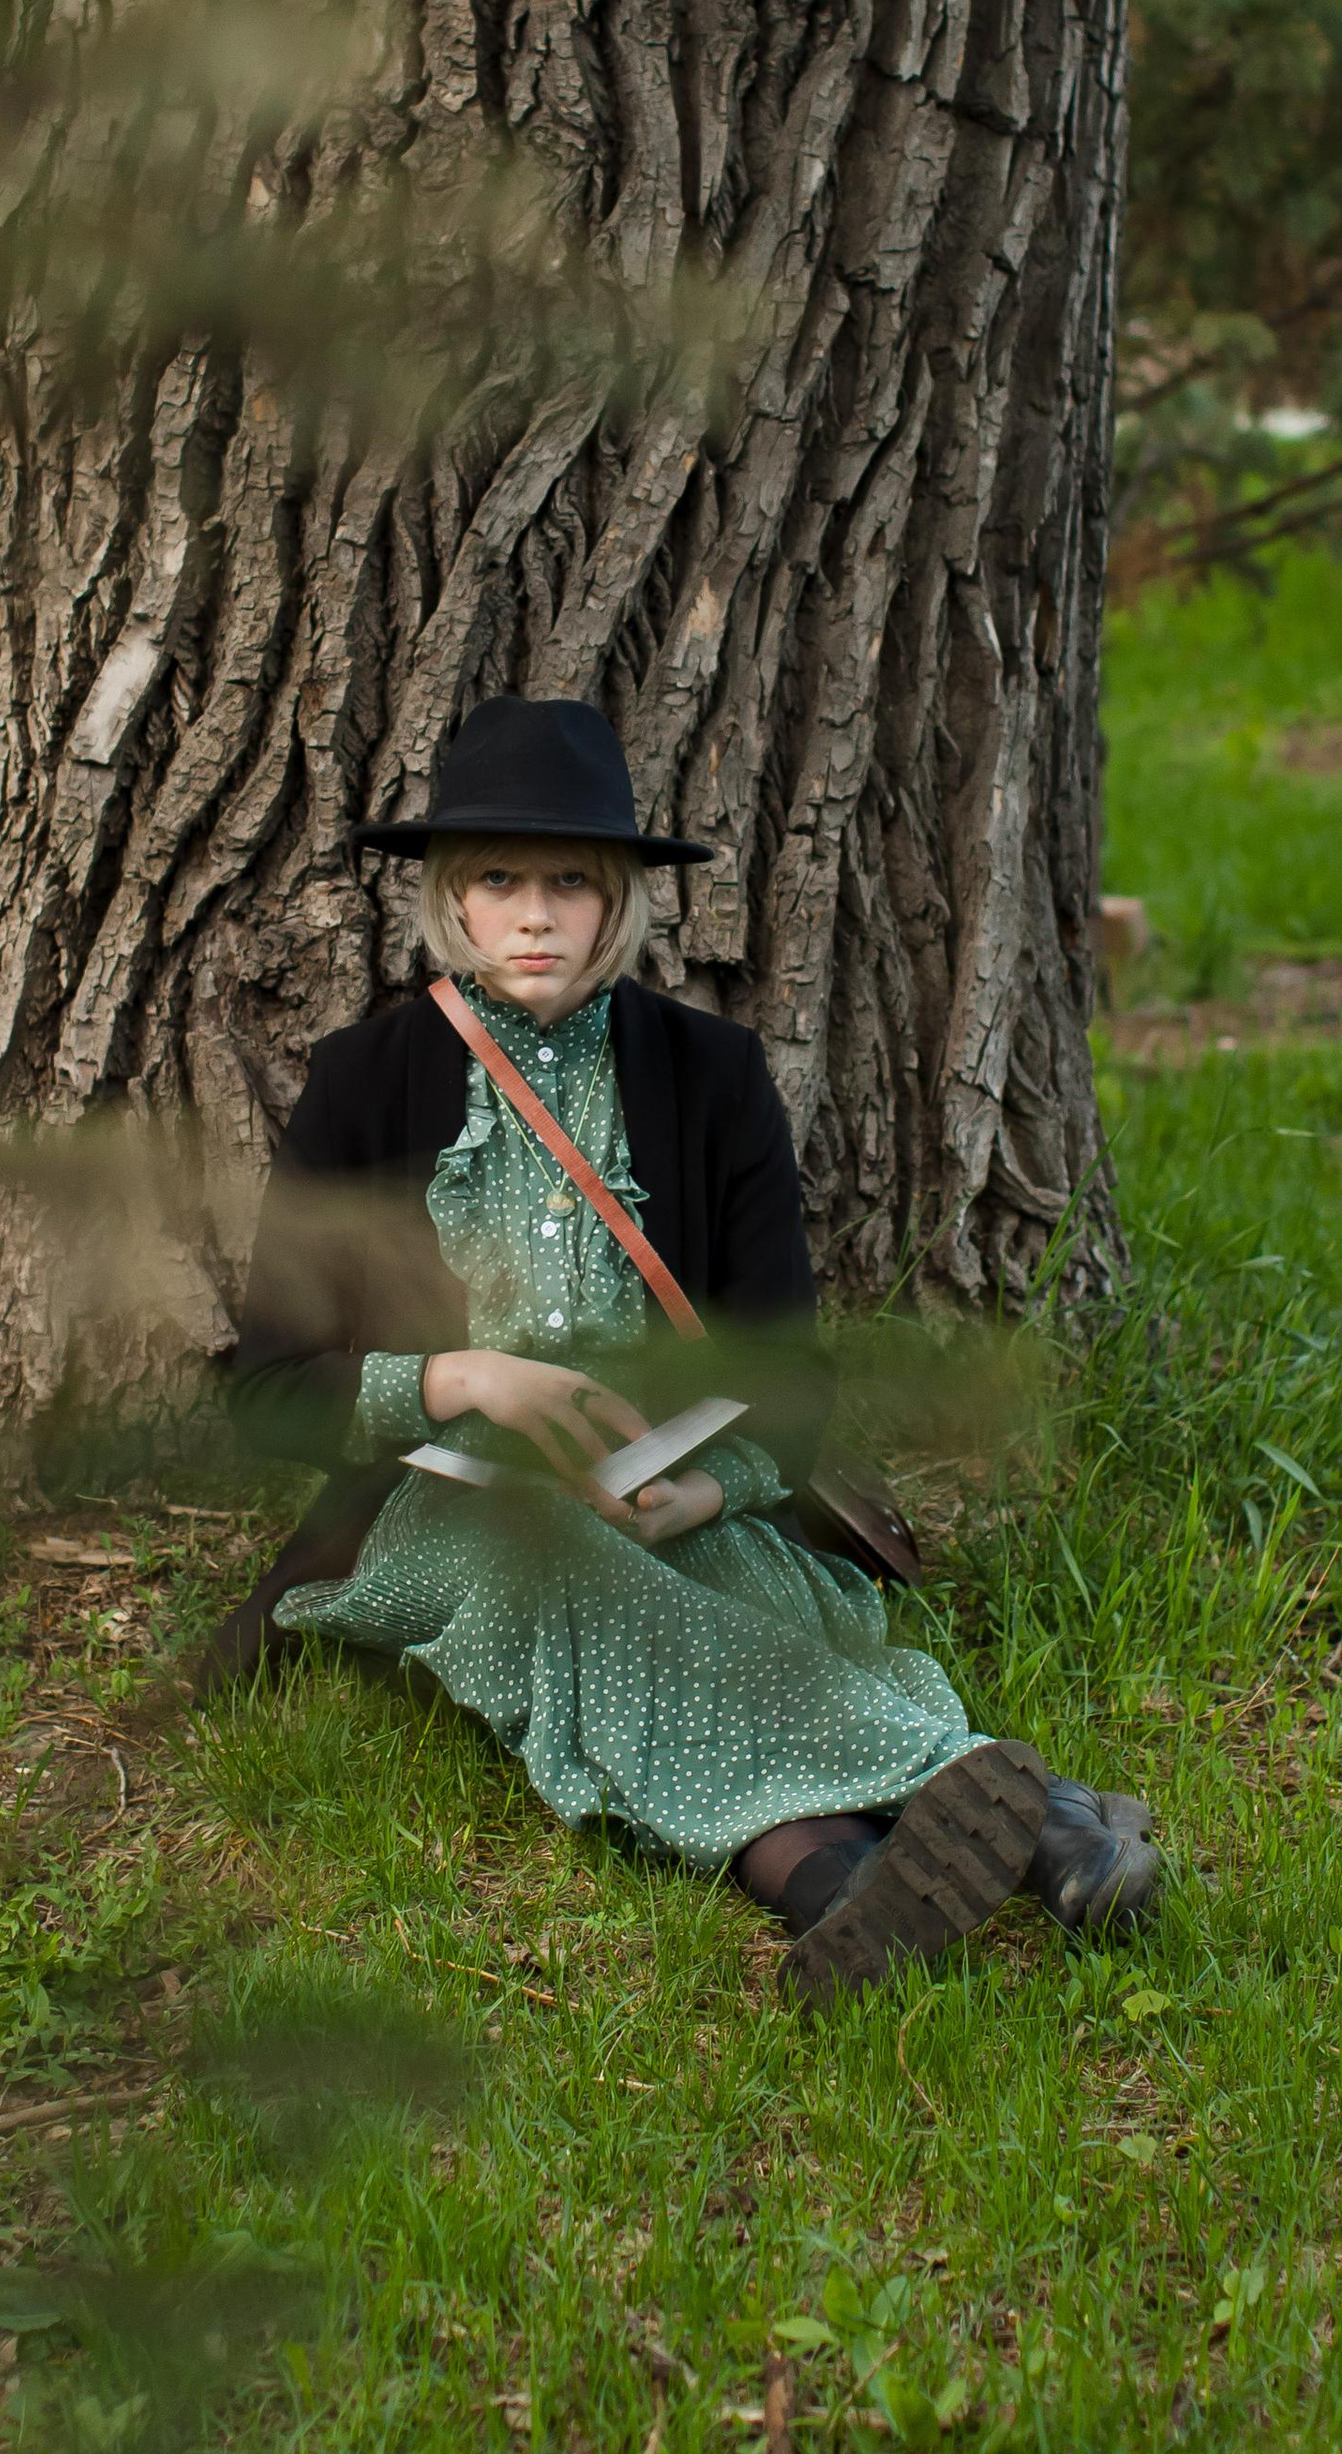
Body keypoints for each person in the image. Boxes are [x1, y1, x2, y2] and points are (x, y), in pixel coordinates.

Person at [217, 695, 1160, 2007]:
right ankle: (1041, 1816)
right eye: (497, 881)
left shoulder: (710, 1076)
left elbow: (787, 1369)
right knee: (554, 1568)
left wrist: (712, 1487)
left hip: (656, 1484)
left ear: (620, 905)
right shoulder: (364, 1081)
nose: (535, 915)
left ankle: (833, 1888)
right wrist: (464, 1377)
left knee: (735, 1592)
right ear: (449, 902)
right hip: (444, 1506)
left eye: (569, 882)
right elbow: (262, 1393)